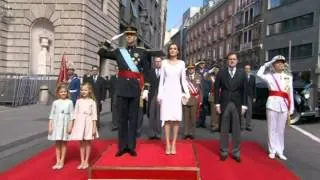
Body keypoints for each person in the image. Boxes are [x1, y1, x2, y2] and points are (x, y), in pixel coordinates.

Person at [98, 26, 162, 157]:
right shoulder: (119, 51)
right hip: (121, 88)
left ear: (135, 37)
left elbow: (147, 71)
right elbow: (102, 53)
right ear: (125, 37)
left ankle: (131, 146)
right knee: (122, 119)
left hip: (135, 89)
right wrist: (107, 42)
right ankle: (122, 147)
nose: (129, 37)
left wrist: (146, 88)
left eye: (131, 35)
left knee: (133, 119)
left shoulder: (142, 52)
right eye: (127, 35)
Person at [256, 55, 294, 160]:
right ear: (273, 65)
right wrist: (267, 63)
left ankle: (280, 150)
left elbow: (290, 93)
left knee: (281, 130)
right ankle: (272, 150)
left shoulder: (288, 77)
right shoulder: (269, 76)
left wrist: (291, 108)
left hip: (284, 105)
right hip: (272, 104)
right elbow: (259, 74)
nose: (280, 64)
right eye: (277, 62)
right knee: (272, 128)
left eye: (282, 62)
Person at [214, 52, 248, 163]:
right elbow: (216, 88)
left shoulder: (242, 73)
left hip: (237, 104)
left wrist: (244, 105)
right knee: (224, 128)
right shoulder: (221, 73)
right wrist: (217, 103)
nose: (232, 61)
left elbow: (245, 91)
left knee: (236, 129)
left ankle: (236, 152)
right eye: (230, 59)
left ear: (237, 61)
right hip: (224, 103)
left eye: (234, 59)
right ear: (227, 61)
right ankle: (223, 151)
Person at [157, 43, 189, 155]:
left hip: (177, 93)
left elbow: (183, 81)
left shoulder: (182, 63)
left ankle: (174, 143)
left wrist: (187, 93)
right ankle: (167, 143)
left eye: (175, 49)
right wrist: (159, 95)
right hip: (166, 93)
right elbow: (161, 81)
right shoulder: (164, 63)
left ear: (178, 51)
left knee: (176, 119)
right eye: (170, 48)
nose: (172, 50)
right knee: (166, 119)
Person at [69, 83, 99, 169]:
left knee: (88, 143)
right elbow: (75, 114)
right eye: (82, 90)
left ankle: (86, 161)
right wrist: (72, 125)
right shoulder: (78, 101)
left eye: (85, 90)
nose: (83, 92)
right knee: (81, 143)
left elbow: (94, 116)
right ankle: (82, 161)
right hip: (80, 123)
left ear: (89, 91)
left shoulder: (92, 102)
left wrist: (94, 127)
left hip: (89, 123)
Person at [48, 84, 74, 170]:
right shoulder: (55, 102)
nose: (63, 93)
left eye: (65, 92)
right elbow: (51, 115)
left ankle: (62, 160)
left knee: (64, 143)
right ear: (58, 93)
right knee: (57, 143)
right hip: (57, 123)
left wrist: (70, 126)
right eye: (61, 92)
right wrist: (50, 126)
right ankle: (58, 160)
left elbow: (72, 116)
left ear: (67, 93)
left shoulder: (69, 102)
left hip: (65, 123)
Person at [183, 63, 202, 139]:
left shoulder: (199, 77)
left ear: (194, 69)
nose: (191, 70)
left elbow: (201, 89)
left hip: (195, 99)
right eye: (189, 68)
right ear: (187, 69)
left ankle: (192, 133)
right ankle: (186, 133)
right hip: (186, 99)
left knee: (193, 117)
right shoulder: (184, 77)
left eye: (192, 68)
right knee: (186, 117)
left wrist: (201, 100)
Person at [147, 57, 163, 140]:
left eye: (159, 61)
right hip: (152, 95)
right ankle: (152, 133)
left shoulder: (164, 72)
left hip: (161, 96)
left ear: (161, 62)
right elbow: (148, 83)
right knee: (152, 114)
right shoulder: (151, 72)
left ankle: (158, 133)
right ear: (154, 63)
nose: (157, 63)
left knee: (159, 114)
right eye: (156, 61)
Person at [196, 60, 209, 128]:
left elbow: (210, 82)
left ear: (204, 64)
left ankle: (203, 122)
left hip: (205, 92)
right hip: (198, 92)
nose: (201, 65)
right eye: (200, 63)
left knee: (204, 108)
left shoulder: (207, 72)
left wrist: (209, 91)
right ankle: (198, 122)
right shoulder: (197, 72)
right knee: (198, 108)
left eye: (203, 63)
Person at [243, 64, 256, 131]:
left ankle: (248, 125)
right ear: (244, 69)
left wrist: (254, 97)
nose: (247, 70)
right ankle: (241, 125)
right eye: (246, 68)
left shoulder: (253, 77)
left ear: (250, 69)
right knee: (242, 111)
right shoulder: (241, 77)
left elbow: (254, 87)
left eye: (248, 68)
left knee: (249, 111)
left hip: (249, 96)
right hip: (242, 96)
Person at [207, 67, 220, 132]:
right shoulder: (211, 77)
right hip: (213, 96)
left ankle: (219, 125)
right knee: (213, 111)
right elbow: (205, 77)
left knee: (219, 111)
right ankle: (214, 125)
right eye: (215, 70)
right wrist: (210, 71)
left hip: (220, 96)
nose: (216, 71)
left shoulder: (221, 77)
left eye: (217, 69)